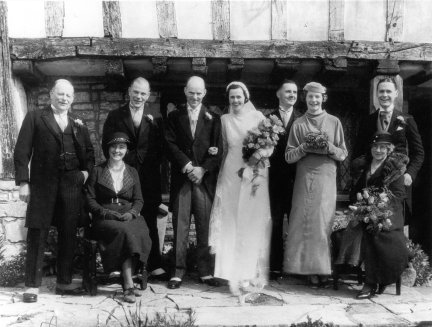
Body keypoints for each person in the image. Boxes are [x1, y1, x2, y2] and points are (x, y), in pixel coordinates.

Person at [14, 79, 95, 303]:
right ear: (51, 95)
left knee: (68, 232)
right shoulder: (35, 117)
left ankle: (64, 282)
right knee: (37, 232)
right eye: (60, 94)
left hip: (71, 184)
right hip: (42, 184)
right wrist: (23, 181)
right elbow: (22, 151)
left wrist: (86, 174)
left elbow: (89, 153)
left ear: (73, 99)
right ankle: (32, 286)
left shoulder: (78, 122)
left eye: (68, 96)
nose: (64, 99)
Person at [209, 81, 272, 296]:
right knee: (230, 219)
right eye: (232, 97)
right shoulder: (224, 120)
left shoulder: (258, 117)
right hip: (230, 172)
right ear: (228, 100)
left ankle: (246, 272)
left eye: (239, 97)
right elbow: (223, 147)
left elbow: (269, 145)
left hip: (252, 171)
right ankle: (227, 271)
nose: (235, 100)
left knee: (248, 220)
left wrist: (258, 156)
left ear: (245, 97)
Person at [102, 77, 167, 281]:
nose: (139, 96)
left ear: (148, 96)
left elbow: (162, 148)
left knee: (149, 218)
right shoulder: (115, 115)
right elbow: (107, 145)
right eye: (135, 92)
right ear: (129, 91)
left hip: (149, 176)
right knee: (124, 215)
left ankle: (153, 263)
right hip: (124, 174)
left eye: (143, 93)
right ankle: (122, 265)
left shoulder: (155, 117)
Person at [283, 82, 347, 287]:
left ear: (323, 98)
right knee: (303, 222)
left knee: (321, 222)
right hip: (304, 177)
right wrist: (303, 147)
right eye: (310, 97)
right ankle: (304, 270)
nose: (313, 100)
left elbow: (343, 154)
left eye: (317, 97)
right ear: (305, 98)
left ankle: (322, 269)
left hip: (326, 177)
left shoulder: (334, 122)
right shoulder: (298, 124)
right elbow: (288, 157)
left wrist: (328, 146)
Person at [165, 76, 222, 289]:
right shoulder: (174, 116)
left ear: (204, 93)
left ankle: (205, 271)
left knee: (204, 226)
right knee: (180, 225)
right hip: (183, 178)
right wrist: (187, 166)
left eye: (199, 93)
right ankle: (177, 272)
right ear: (185, 91)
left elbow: (219, 150)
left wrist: (203, 169)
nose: (195, 97)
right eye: (192, 92)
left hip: (203, 181)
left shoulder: (214, 118)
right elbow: (169, 144)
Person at [86, 132, 152, 303]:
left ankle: (126, 278)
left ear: (126, 150)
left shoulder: (132, 171)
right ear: (108, 149)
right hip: (105, 217)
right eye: (114, 147)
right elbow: (90, 200)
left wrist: (132, 213)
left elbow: (139, 199)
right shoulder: (97, 170)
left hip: (129, 214)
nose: (117, 150)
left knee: (134, 229)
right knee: (124, 231)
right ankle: (128, 285)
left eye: (121, 147)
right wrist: (105, 212)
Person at [344, 132, 409, 299]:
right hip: (362, 211)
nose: (378, 150)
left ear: (389, 149)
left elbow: (398, 195)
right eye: (375, 147)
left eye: (382, 147)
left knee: (376, 233)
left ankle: (371, 282)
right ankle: (369, 277)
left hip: (388, 213)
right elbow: (355, 191)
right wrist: (359, 207)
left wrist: (378, 208)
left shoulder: (395, 169)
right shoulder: (362, 165)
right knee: (351, 230)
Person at [353, 77, 423, 205]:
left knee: (395, 221)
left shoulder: (407, 120)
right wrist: (362, 175)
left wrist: (410, 174)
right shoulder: (367, 121)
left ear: (396, 93)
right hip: (372, 181)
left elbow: (418, 152)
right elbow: (357, 152)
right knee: (372, 218)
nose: (384, 95)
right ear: (377, 93)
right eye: (381, 91)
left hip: (397, 180)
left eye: (388, 91)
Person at [267, 79, 302, 279]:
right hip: (274, 181)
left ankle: (295, 266)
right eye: (288, 91)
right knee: (276, 223)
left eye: (295, 92)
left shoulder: (303, 119)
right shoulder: (268, 118)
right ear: (279, 94)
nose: (292, 95)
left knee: (297, 223)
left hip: (298, 180)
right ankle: (275, 267)